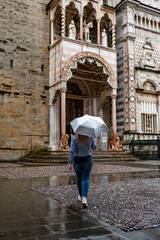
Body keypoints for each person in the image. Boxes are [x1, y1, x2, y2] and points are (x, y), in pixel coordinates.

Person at [68, 134, 97, 208]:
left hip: (77, 160)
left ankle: (80, 195)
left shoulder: (75, 138)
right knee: (85, 178)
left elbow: (72, 150)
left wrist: (70, 162)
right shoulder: (90, 137)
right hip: (87, 159)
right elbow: (94, 148)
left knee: (79, 178)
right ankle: (84, 198)